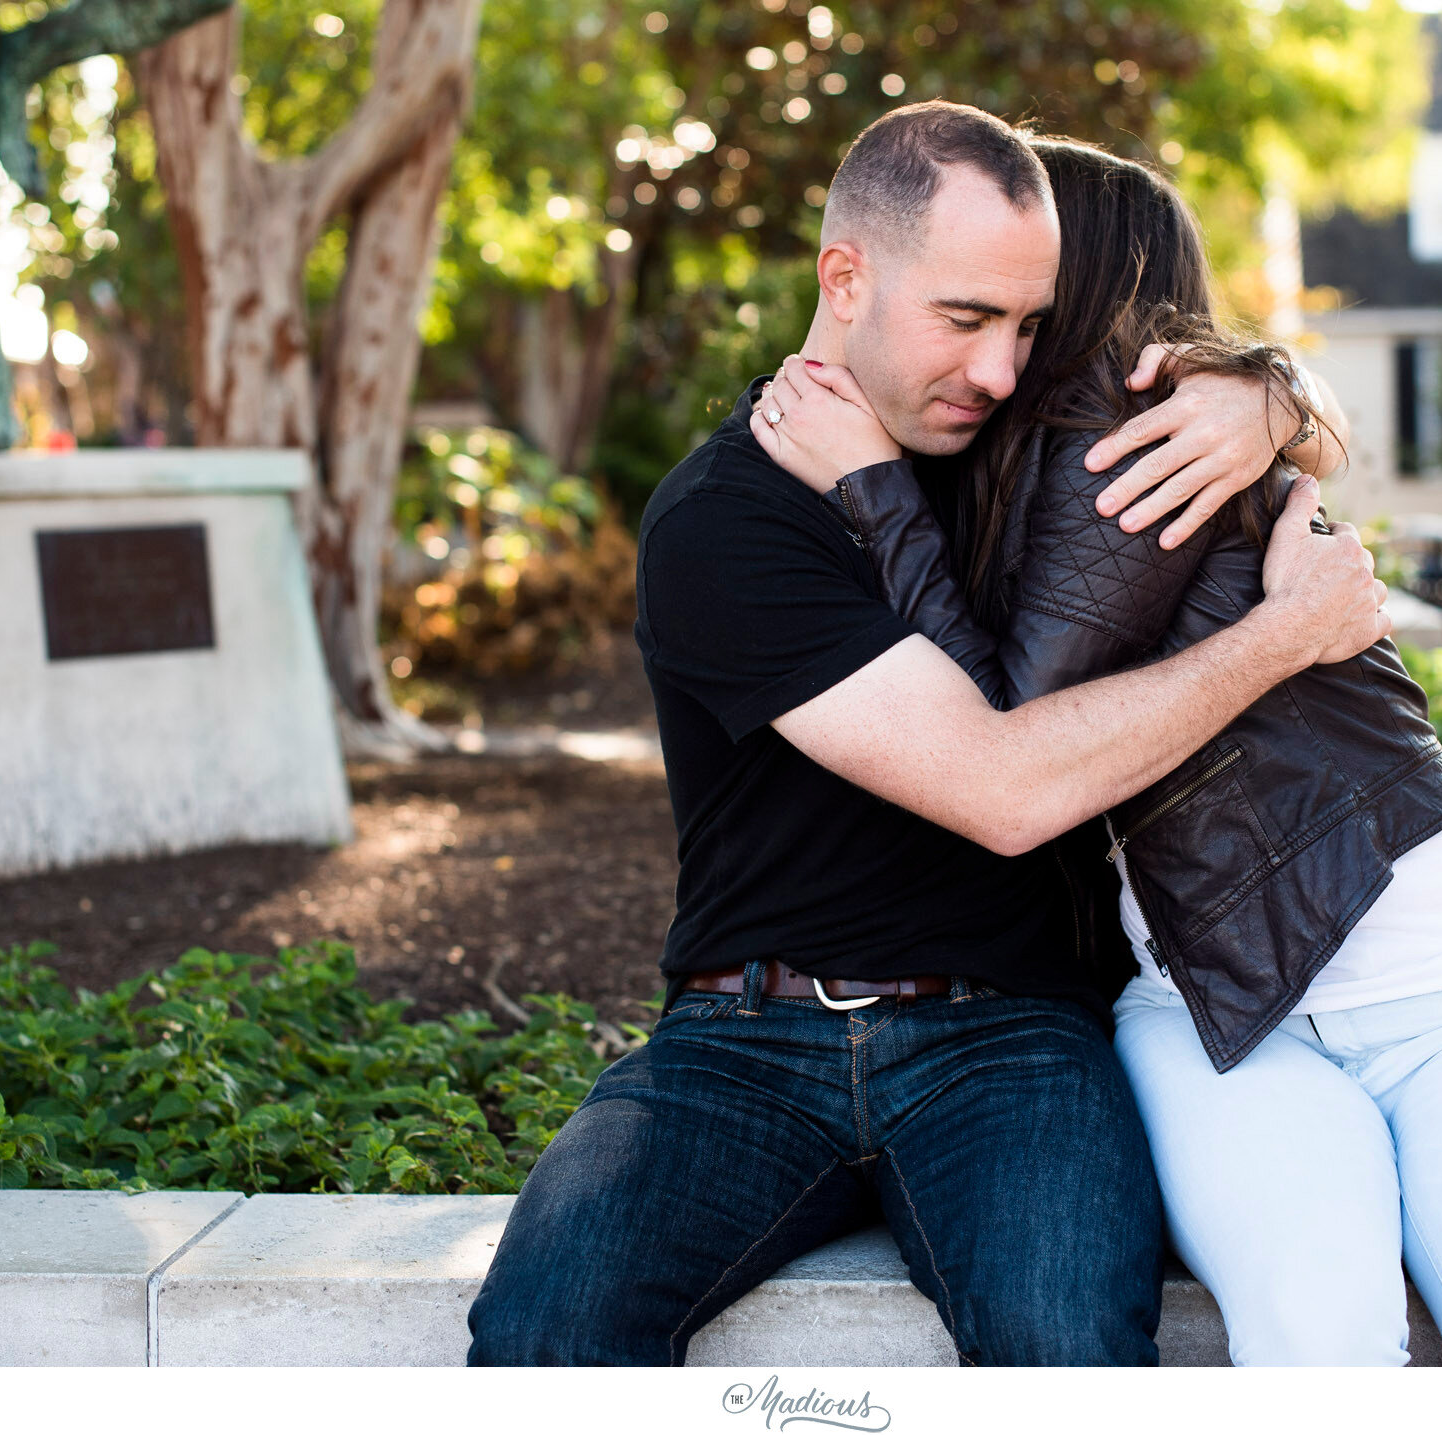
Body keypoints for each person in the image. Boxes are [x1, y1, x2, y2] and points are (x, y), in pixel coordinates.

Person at [464, 102, 1390, 1366]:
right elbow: (998, 789)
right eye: (964, 320)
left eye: (1026, 326)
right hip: (744, 1038)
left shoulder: (1015, 456)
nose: (1001, 370)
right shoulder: (722, 518)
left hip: (1010, 1034)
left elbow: (1229, 416)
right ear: (843, 278)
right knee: (541, 1332)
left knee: (1065, 1346)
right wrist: (1282, 634)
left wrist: (1270, 393)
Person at [751, 137, 1442, 1366]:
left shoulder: (1116, 442)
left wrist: (868, 485)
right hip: (1213, 1006)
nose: (991, 327)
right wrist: (1276, 388)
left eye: (1023, 286)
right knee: (1314, 1342)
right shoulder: (1069, 438)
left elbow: (1001, 730)